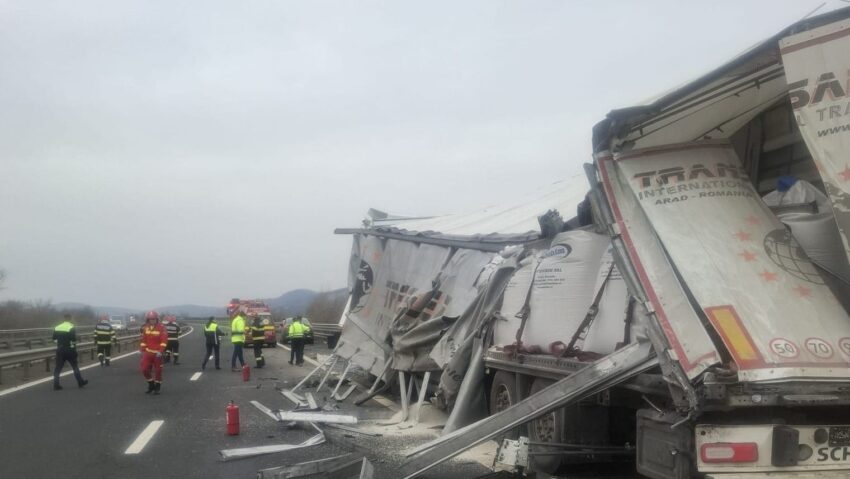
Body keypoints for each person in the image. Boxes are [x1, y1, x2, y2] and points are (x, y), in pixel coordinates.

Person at [52, 314, 88, 390]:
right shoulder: (71, 327)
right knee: (75, 367)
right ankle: (80, 382)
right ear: (70, 319)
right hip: (69, 350)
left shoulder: (57, 327)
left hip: (60, 349)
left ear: (64, 318)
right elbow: (73, 340)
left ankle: (56, 385)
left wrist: (60, 343)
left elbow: (54, 339)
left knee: (58, 368)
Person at [140, 310, 167, 394]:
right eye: (150, 319)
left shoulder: (162, 328)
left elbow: (164, 341)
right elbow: (144, 340)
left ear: (157, 319)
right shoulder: (146, 328)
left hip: (157, 354)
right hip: (148, 353)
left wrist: (161, 351)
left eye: (154, 319)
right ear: (148, 320)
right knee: (144, 369)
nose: (152, 320)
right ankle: (151, 384)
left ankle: (157, 386)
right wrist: (142, 350)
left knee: (158, 371)